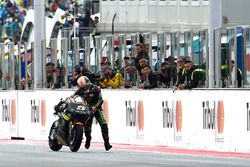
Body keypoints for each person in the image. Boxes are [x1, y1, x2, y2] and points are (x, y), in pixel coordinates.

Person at [73, 76, 112, 151]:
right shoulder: (79, 90)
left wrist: (95, 107)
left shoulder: (96, 88)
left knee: (103, 124)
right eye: (83, 87)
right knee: (87, 127)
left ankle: (107, 143)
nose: (85, 89)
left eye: (86, 86)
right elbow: (73, 97)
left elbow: (101, 100)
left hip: (97, 108)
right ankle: (88, 139)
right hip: (87, 109)